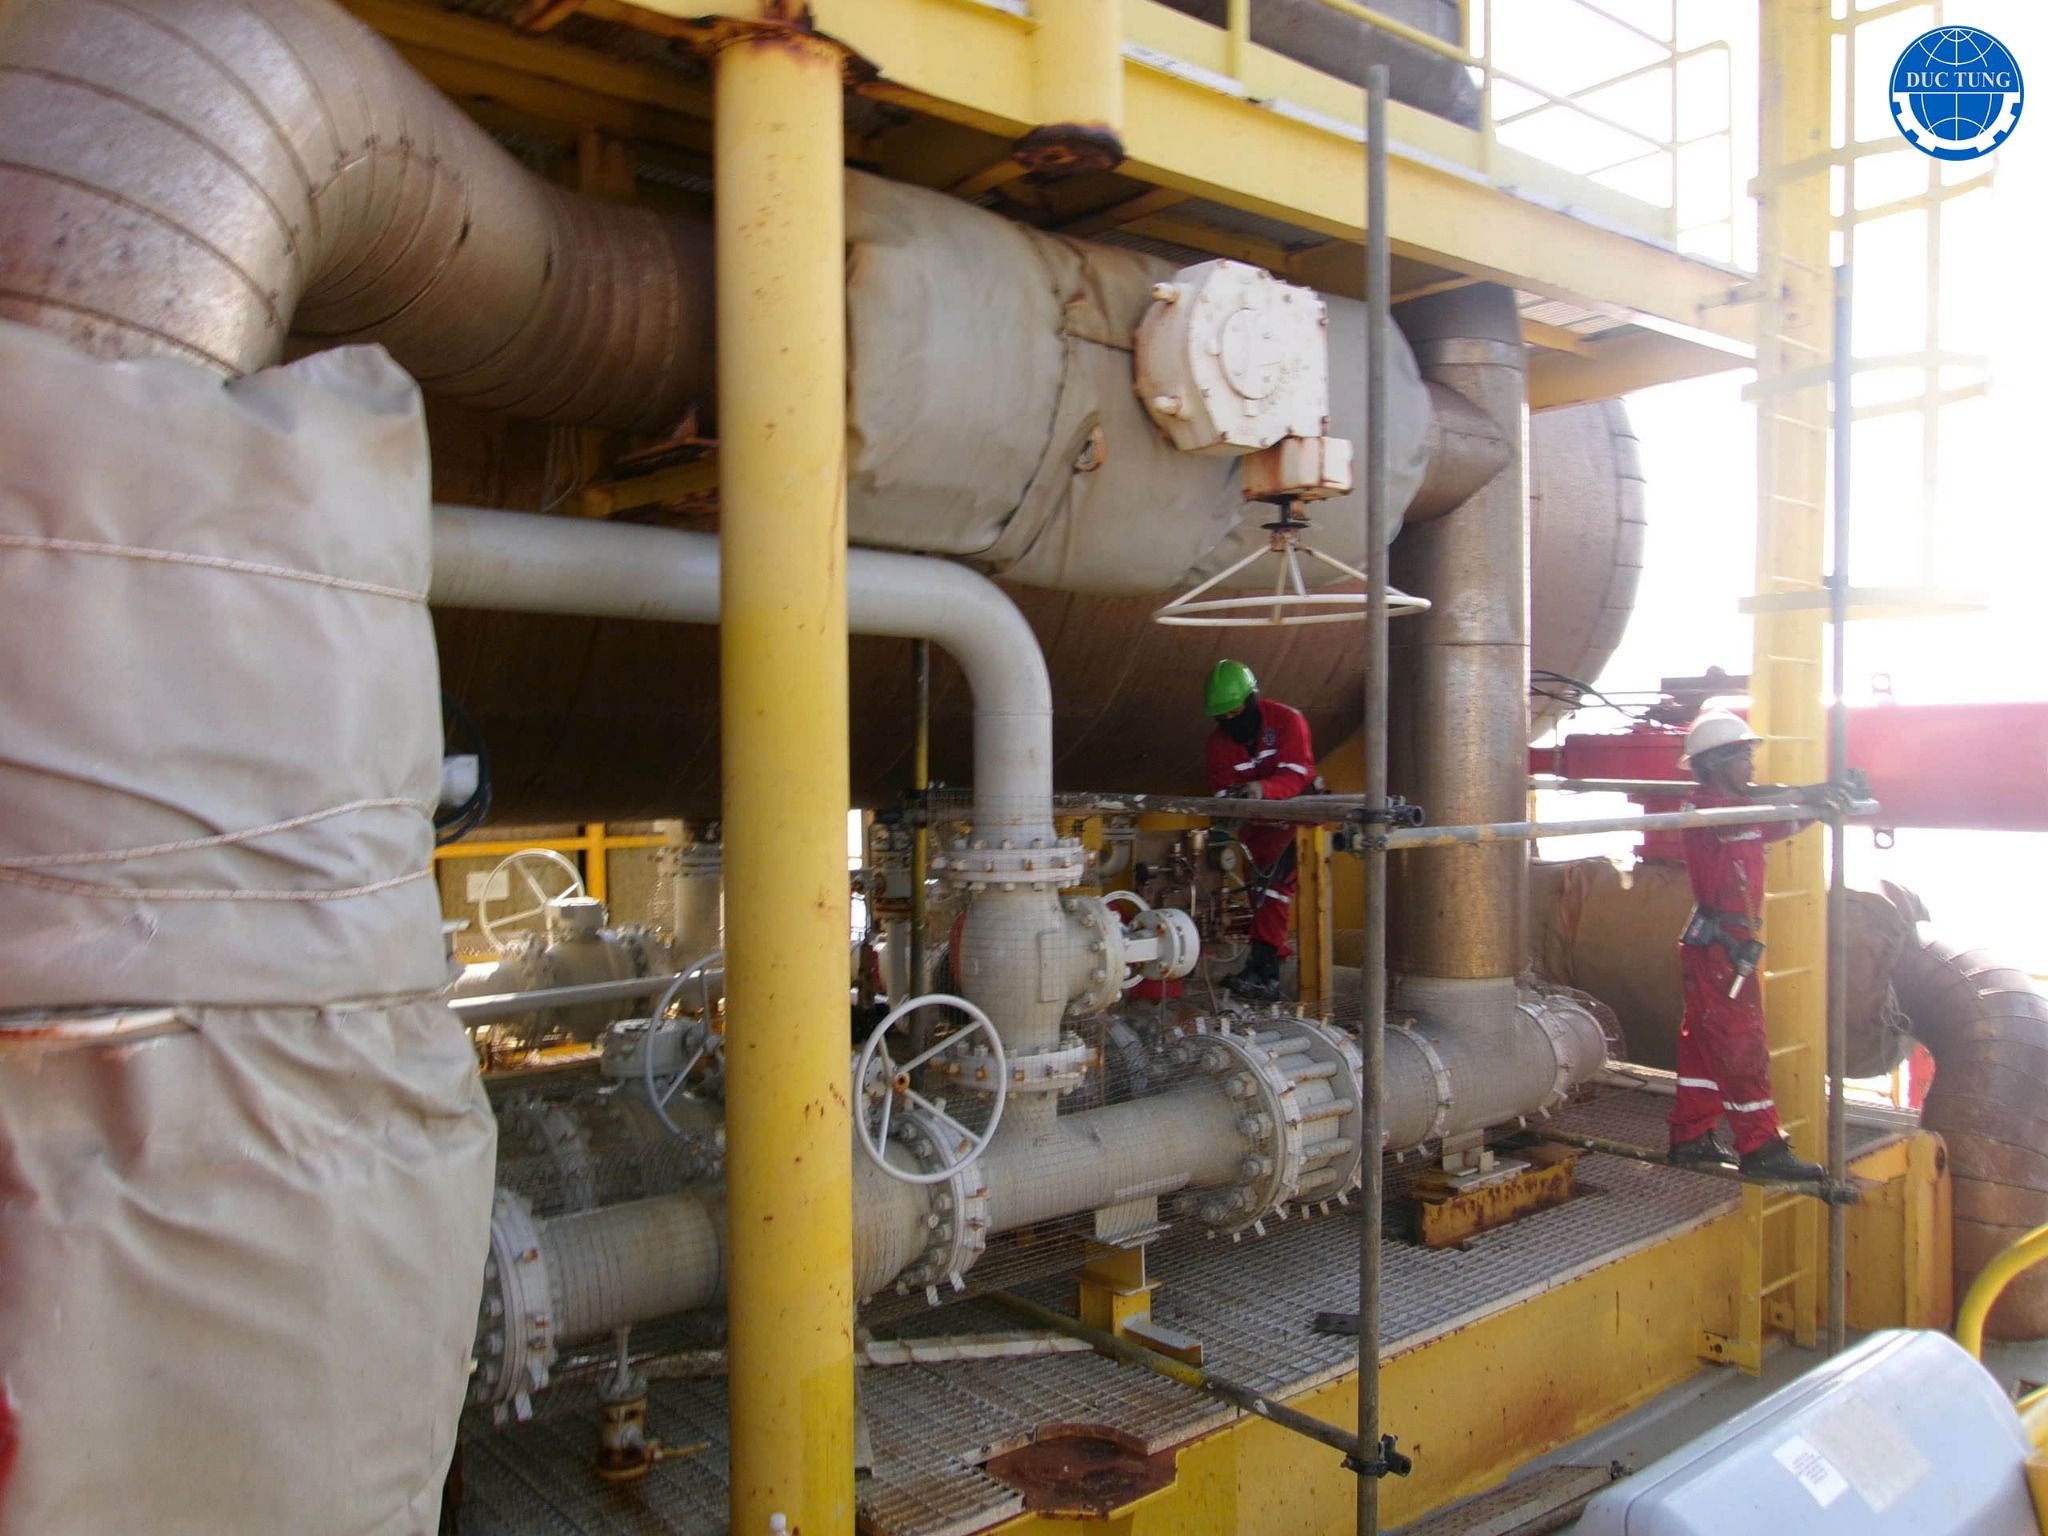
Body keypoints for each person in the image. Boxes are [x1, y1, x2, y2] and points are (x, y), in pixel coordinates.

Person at [1667, 710, 1826, 1181]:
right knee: (1741, 1043)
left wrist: (1816, 803)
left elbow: (1773, 823)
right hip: (1722, 950)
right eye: (1743, 757)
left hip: (1718, 946)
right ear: (1716, 763)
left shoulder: (1733, 809)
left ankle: (1691, 1136)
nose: (1752, 767)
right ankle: (1761, 1148)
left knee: (1702, 1044)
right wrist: (1811, 797)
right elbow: (1759, 821)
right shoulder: (1712, 811)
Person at [1203, 659, 1316, 1002]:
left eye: (1236, 712)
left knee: (1275, 889)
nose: (1231, 721)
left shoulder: (1287, 721)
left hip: (1299, 818)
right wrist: (1224, 824)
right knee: (1261, 893)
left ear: (1252, 699)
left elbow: (1298, 775)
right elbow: (1223, 794)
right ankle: (1265, 969)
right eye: (1223, 717)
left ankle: (1266, 971)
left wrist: (1260, 790)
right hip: (1258, 828)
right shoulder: (1218, 745)